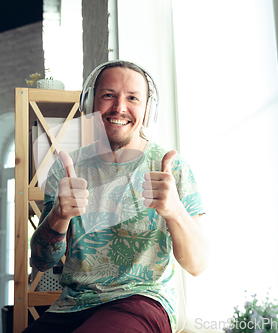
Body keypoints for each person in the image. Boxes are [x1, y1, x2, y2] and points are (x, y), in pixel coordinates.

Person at [24, 60, 210, 333]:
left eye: (133, 98)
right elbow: (41, 261)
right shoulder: (67, 170)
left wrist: (175, 211)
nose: (120, 107)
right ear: (90, 104)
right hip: (73, 305)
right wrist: (59, 216)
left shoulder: (171, 169)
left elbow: (199, 265)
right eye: (108, 95)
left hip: (143, 300)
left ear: (148, 110)